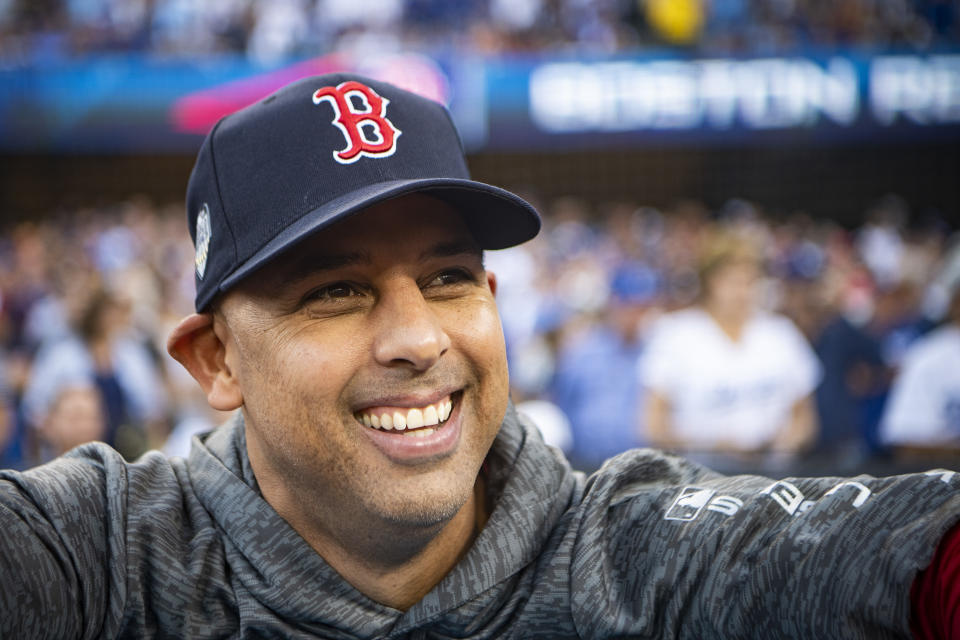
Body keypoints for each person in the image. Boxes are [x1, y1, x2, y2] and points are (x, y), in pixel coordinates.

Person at [1, 74, 958, 639]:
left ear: (494, 302)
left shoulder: (623, 550)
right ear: (217, 362)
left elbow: (881, 551)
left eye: (450, 277)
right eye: (335, 290)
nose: (421, 338)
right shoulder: (110, 555)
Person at [641, 233, 821, 463]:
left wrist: (782, 445)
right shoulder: (675, 334)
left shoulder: (781, 333)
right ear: (709, 281)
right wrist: (711, 445)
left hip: (774, 480)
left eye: (749, 281)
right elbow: (653, 426)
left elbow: (805, 418)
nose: (741, 291)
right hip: (701, 481)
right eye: (731, 280)